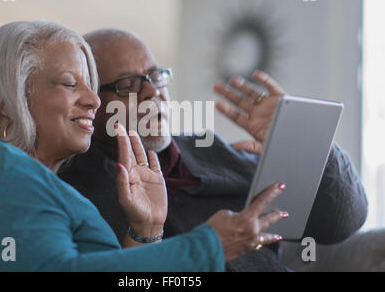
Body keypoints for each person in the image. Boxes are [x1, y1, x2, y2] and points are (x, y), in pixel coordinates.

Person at [0, 21, 287, 271]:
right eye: (70, 84)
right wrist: (210, 246)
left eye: (91, 85)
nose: (94, 100)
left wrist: (145, 231)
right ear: (6, 102)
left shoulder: (31, 180)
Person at [58, 28, 368, 272]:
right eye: (128, 85)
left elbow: (341, 222)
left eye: (156, 77)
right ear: (91, 103)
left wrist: (301, 140)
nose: (154, 92)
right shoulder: (76, 190)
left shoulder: (210, 151)